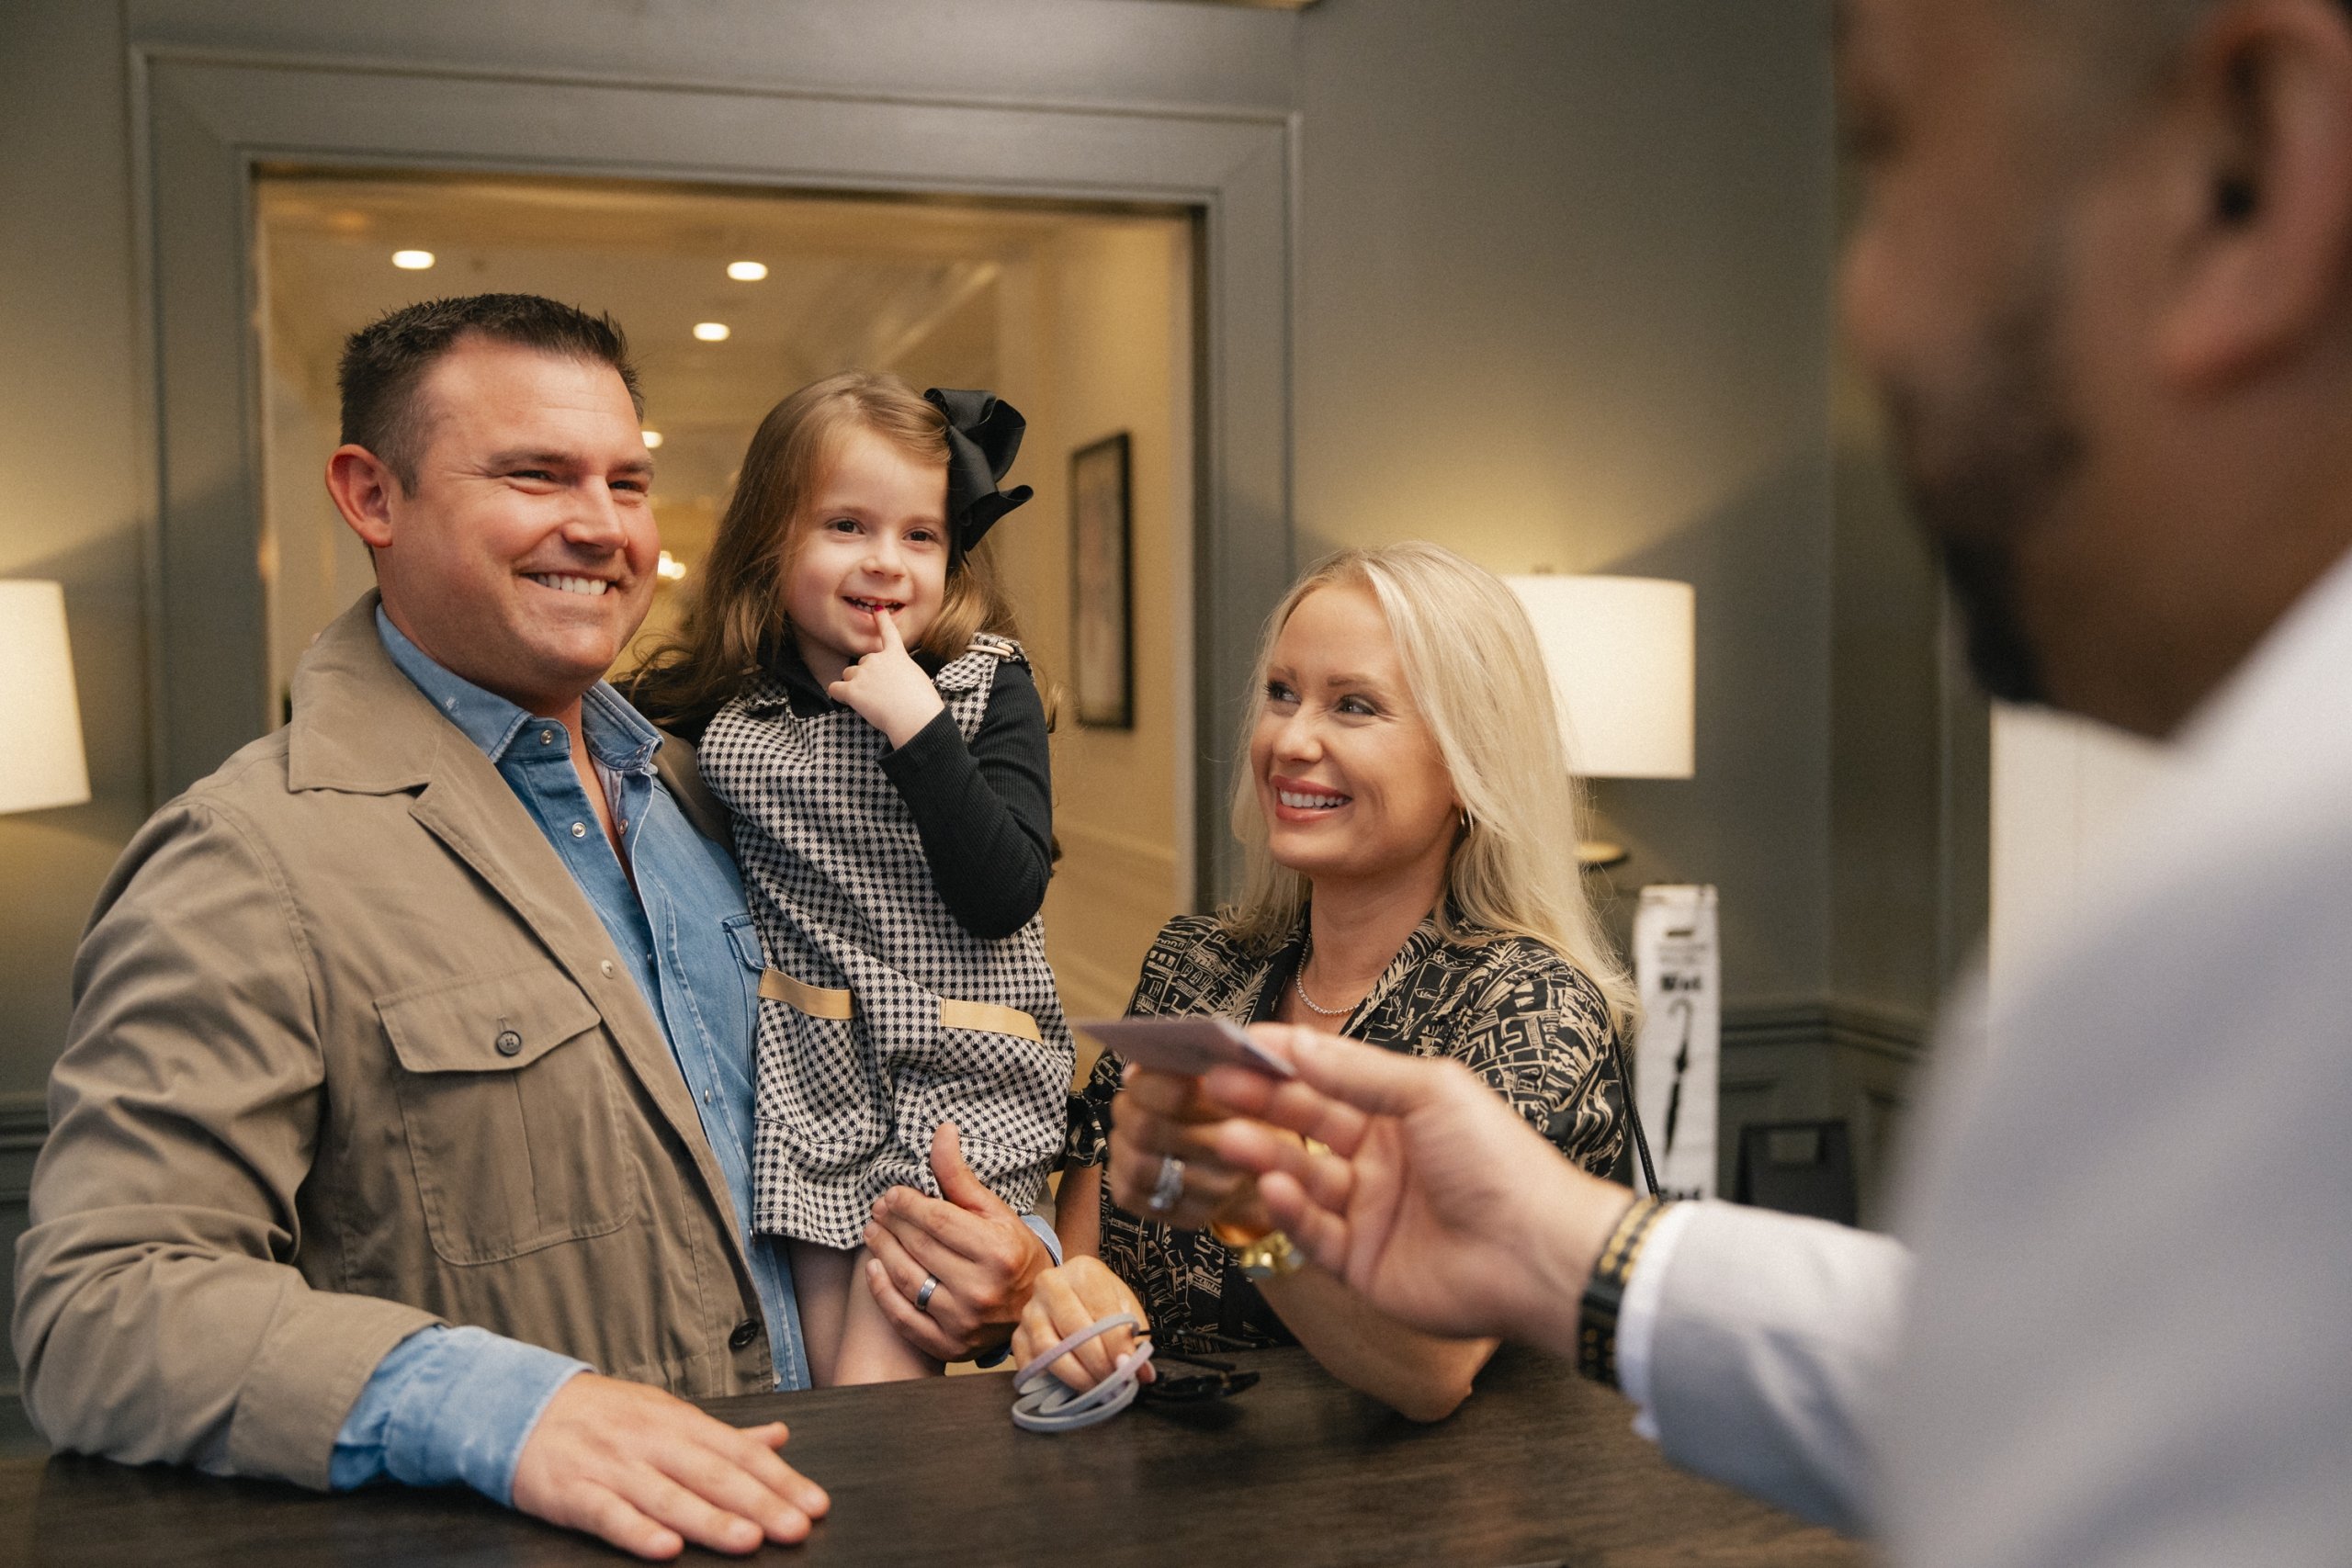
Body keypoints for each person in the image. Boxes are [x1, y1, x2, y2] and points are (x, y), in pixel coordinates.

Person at [1148, 0, 2352, 1562]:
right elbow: (2016, 1379)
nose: (1862, 300)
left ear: (2247, 173)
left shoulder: (2256, 934)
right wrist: (1582, 1245)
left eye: (1893, 164)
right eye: (1284, 695)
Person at [12, 296, 1050, 1562]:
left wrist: (1004, 1267)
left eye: (626, 479)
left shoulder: (714, 788)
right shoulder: (248, 859)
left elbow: (853, 1107)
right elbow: (101, 1312)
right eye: (534, 473)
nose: (602, 525)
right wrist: (516, 1407)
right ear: (370, 495)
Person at [1015, 543, 1635, 1421]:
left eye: (1354, 705)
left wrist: (1252, 1213)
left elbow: (1430, 1368)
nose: (1290, 740)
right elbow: (1089, 1259)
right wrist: (1050, 1298)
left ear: (1468, 764)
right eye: (1281, 693)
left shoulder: (1528, 1005)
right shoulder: (1197, 963)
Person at [626, 373, 1069, 1387]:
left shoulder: (980, 682)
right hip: (811, 1075)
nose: (886, 562)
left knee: (878, 1384)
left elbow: (1003, 893)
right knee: (820, 1378)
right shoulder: (731, 706)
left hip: (959, 1075)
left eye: (920, 534)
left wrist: (916, 728)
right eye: (846, 525)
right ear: (772, 541)